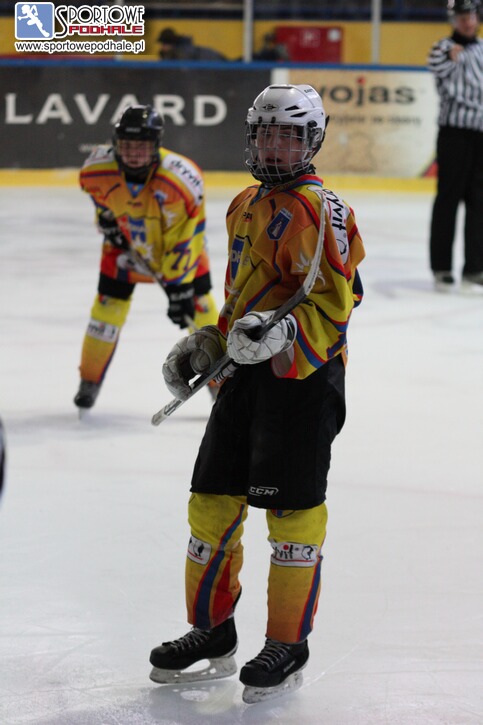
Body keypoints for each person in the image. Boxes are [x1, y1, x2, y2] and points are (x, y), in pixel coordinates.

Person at [149, 84, 365, 704]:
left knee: (292, 515)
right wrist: (212, 343)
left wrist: (284, 333)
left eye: (288, 135)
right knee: (211, 503)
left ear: (311, 141)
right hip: (242, 377)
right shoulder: (244, 203)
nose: (274, 146)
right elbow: (245, 298)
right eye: (265, 133)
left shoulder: (323, 210)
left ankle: (288, 644)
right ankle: (212, 631)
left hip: (302, 381)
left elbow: (338, 305)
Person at [74, 105, 219, 411]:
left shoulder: (180, 179)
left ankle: (222, 385)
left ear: (156, 145)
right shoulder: (97, 169)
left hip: (180, 251)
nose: (134, 155)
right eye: (127, 146)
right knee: (106, 311)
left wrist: (180, 287)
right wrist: (107, 219)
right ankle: (89, 381)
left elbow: (186, 235)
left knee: (201, 311)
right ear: (116, 144)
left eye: (141, 147)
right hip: (125, 250)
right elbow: (98, 195)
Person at [427, 0, 483, 292]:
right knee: (448, 200)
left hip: (480, 135)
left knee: (479, 201)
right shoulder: (443, 47)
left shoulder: (482, 49)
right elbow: (435, 66)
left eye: (471, 16)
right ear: (454, 19)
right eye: (462, 17)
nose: (468, 22)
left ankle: (475, 267)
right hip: (454, 134)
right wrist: (450, 56)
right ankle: (442, 267)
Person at [157, 27, 227, 61]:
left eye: (164, 44)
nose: (162, 47)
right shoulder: (182, 51)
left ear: (172, 44)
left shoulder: (182, 53)